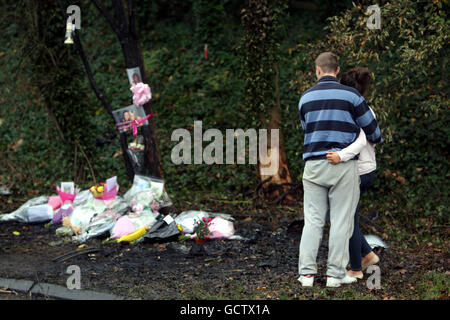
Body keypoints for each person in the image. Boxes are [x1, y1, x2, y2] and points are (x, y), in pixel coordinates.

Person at [297, 52, 382, 288]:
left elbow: (307, 128)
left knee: (313, 221)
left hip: (313, 165)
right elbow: (373, 132)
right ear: (337, 69)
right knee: (341, 221)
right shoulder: (352, 96)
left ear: (317, 70)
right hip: (342, 164)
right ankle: (334, 276)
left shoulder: (305, 98)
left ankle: (306, 275)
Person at [326, 67, 380, 279]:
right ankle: (366, 254)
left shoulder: (349, 112)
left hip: (355, 172)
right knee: (347, 217)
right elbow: (375, 137)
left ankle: (357, 267)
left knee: (344, 219)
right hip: (366, 170)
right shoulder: (367, 110)